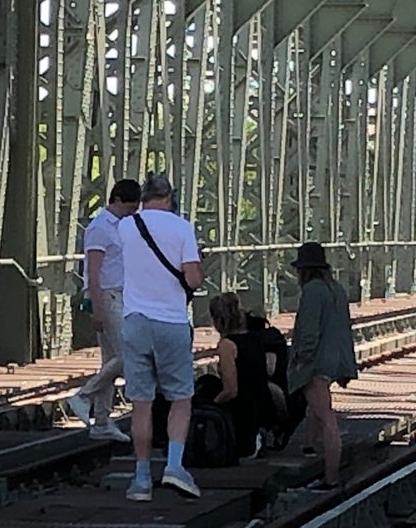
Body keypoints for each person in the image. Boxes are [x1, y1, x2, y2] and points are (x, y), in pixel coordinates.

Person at [117, 174, 204, 501]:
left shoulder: (126, 226)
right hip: (171, 322)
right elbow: (192, 280)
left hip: (135, 321)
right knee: (180, 398)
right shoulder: (182, 228)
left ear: (144, 197)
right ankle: (174, 467)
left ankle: (141, 478)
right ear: (169, 197)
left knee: (141, 404)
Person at [67, 179, 142, 442]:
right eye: (129, 208)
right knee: (127, 355)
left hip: (118, 295)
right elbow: (93, 271)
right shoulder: (100, 228)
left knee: (110, 359)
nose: (131, 213)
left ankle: (101, 421)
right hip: (107, 296)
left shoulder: (120, 226)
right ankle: (83, 395)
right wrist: (97, 308)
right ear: (117, 200)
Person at [287, 242, 358, 490]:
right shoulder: (336, 289)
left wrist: (300, 359)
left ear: (303, 270)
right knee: (316, 407)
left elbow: (309, 332)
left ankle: (331, 477)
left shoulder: (312, 291)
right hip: (335, 357)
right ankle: (309, 446)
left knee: (327, 418)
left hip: (317, 362)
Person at [208, 293, 273, 458]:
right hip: (262, 405)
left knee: (207, 386)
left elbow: (231, 390)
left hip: (243, 409)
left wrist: (211, 405)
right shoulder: (255, 339)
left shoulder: (227, 345)